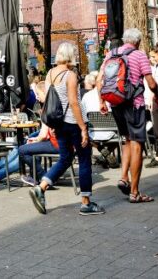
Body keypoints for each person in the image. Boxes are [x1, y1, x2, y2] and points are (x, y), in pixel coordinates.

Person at [28, 42, 105, 215]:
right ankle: (86, 202)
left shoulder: (49, 74)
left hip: (59, 123)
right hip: (72, 122)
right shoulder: (70, 75)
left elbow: (48, 101)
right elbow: (73, 102)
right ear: (71, 56)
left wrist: (52, 125)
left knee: (65, 158)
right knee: (84, 158)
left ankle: (41, 187)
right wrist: (83, 127)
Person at [100, 28, 156, 203]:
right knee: (137, 143)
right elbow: (150, 82)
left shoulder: (111, 54)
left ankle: (123, 177)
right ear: (138, 41)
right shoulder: (139, 55)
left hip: (115, 102)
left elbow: (100, 79)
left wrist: (102, 101)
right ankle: (134, 192)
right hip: (134, 104)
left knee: (127, 140)